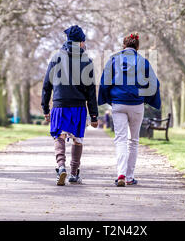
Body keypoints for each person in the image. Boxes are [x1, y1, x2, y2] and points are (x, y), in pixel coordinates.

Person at [98, 32, 160, 187]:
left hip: (118, 103)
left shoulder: (113, 59)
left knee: (120, 139)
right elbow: (154, 83)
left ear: (124, 46)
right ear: (137, 47)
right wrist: (146, 98)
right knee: (133, 141)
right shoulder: (143, 62)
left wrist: (108, 99)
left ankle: (120, 173)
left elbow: (104, 82)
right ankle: (129, 177)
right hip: (136, 104)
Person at [41, 25, 98, 186]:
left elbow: (47, 85)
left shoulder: (56, 58)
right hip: (78, 106)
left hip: (59, 105)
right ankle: (73, 173)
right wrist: (93, 115)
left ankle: (60, 167)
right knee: (77, 140)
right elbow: (91, 91)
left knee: (59, 135)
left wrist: (45, 107)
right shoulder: (86, 61)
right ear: (80, 42)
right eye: (83, 41)